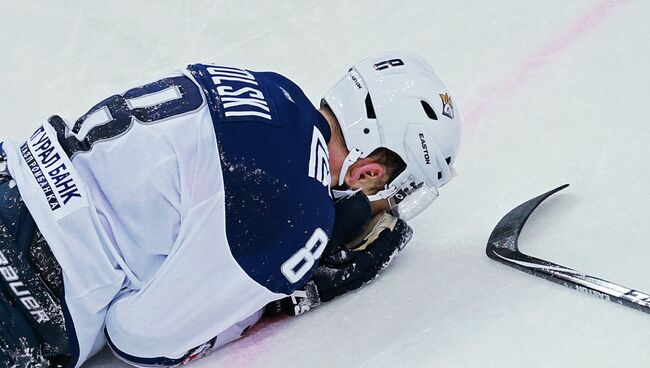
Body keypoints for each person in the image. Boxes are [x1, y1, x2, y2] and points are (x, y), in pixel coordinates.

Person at [0, 52, 460, 367]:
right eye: (396, 193)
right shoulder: (300, 214)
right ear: (369, 173)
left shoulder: (270, 86)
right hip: (29, 287)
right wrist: (270, 299)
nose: (383, 206)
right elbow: (138, 340)